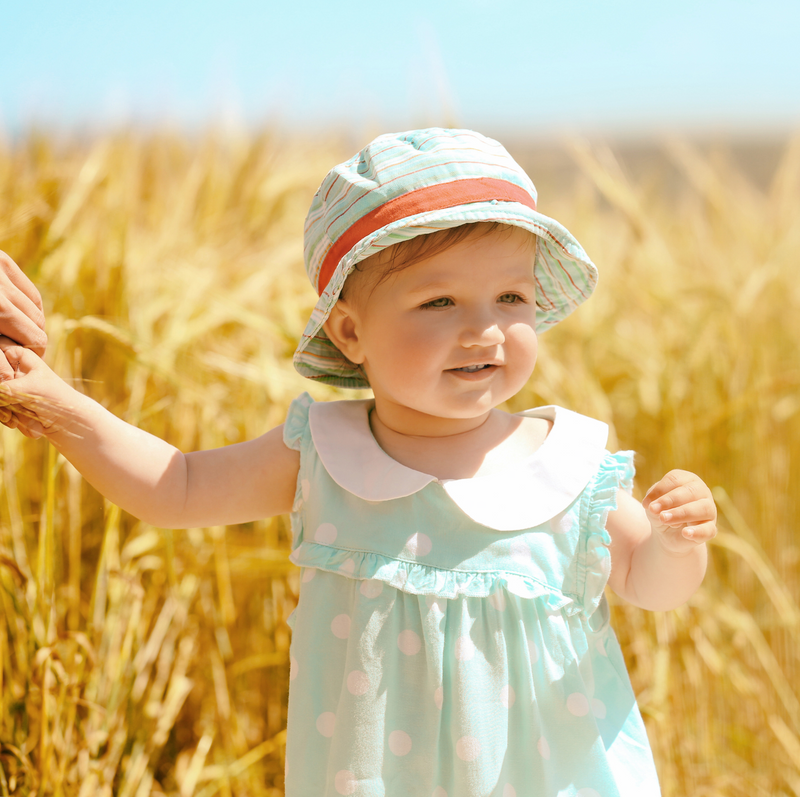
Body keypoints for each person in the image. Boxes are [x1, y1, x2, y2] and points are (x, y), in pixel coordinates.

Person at [0, 128, 716, 797]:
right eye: (439, 300)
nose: (484, 327)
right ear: (349, 331)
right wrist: (56, 403)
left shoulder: (565, 464)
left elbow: (650, 586)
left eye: (512, 296)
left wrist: (673, 544)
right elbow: (178, 488)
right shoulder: (325, 453)